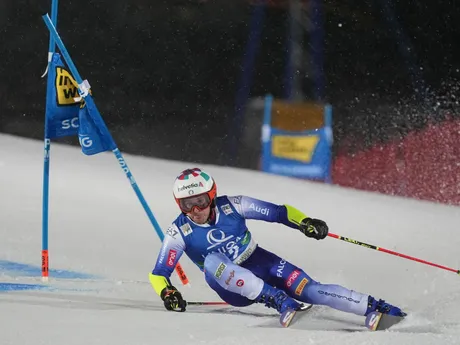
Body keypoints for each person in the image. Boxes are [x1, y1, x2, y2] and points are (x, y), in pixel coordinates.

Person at [149, 168, 406, 318]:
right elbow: (159, 274)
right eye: (186, 205)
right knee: (213, 260)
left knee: (310, 289)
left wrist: (306, 222)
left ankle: (373, 306)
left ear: (212, 196)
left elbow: (279, 213)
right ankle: (277, 300)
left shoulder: (235, 205)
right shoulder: (178, 231)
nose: (195, 210)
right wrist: (167, 292)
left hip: (259, 261)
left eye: (201, 202)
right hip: (231, 286)